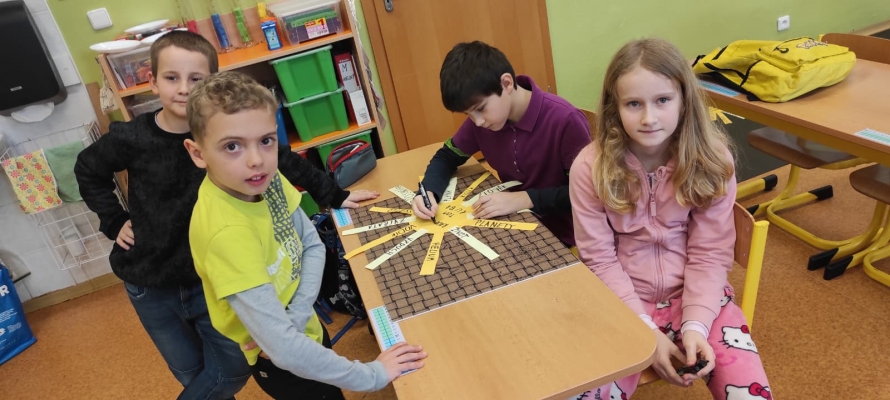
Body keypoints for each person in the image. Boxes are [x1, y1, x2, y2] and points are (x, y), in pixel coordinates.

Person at [74, 31, 377, 399]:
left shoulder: (233, 128)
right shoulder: (132, 137)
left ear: (211, 84)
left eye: (195, 79)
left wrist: (335, 195)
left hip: (212, 281)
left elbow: (282, 160)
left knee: (230, 370)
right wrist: (114, 220)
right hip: (151, 281)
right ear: (152, 81)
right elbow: (88, 168)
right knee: (190, 371)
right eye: (171, 77)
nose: (183, 89)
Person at [184, 71, 426, 399]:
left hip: (301, 327)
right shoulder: (226, 233)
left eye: (266, 141)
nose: (256, 160)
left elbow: (312, 245)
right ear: (198, 153)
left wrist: (295, 319)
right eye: (232, 146)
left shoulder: (265, 181)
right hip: (280, 362)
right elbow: (284, 351)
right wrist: (373, 375)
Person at [568, 38, 772, 399]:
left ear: (684, 100)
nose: (649, 118)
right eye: (634, 104)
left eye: (662, 100)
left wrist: (696, 325)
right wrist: (645, 332)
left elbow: (710, 254)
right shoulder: (590, 167)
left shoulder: (712, 161)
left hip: (699, 297)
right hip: (622, 301)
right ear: (615, 107)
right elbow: (599, 259)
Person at [412, 41, 590, 246]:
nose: (478, 122)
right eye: (468, 114)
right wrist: (429, 191)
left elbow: (587, 193)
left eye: (480, 109)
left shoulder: (565, 120)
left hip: (563, 238)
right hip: (510, 224)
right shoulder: (486, 121)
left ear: (506, 84)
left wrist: (524, 199)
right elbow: (446, 156)